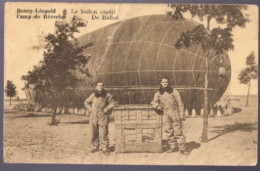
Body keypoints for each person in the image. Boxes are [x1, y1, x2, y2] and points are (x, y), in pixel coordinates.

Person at [151, 77, 188, 155]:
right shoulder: (158, 93)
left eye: (166, 82)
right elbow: (153, 102)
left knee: (178, 131)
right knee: (168, 131)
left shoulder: (174, 92)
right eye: (163, 82)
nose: (165, 83)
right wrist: (157, 106)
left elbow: (180, 104)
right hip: (165, 114)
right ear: (161, 83)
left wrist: (181, 115)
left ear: (168, 83)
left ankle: (182, 148)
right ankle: (173, 146)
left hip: (175, 113)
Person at [84, 82, 117, 155]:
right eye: (99, 85)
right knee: (93, 132)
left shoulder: (107, 95)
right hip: (93, 116)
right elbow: (86, 102)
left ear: (103, 87)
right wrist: (90, 110)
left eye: (102, 85)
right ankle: (94, 146)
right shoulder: (92, 95)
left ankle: (105, 147)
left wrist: (107, 108)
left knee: (103, 132)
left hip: (103, 116)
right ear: (96, 87)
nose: (100, 87)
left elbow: (113, 103)